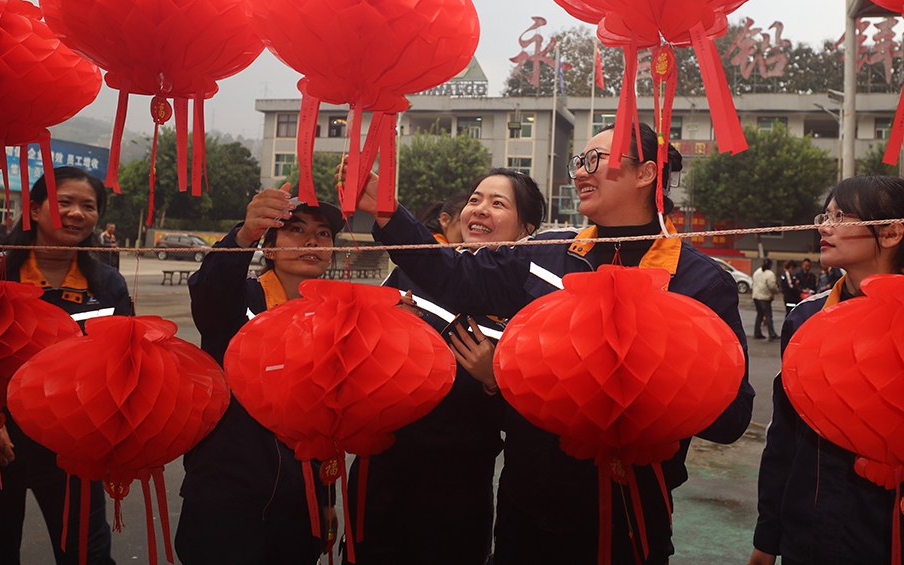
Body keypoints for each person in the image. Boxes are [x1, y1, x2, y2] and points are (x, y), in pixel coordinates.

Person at [344, 122, 753, 565]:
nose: (580, 172)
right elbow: (453, 274)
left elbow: (730, 416)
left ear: (646, 173)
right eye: (579, 161)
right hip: (527, 505)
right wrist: (386, 213)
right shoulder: (545, 255)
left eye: (595, 161)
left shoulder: (698, 282)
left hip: (630, 507)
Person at [750, 175, 904, 565]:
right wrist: (768, 536)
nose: (823, 226)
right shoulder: (806, 318)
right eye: (825, 214)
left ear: (893, 232)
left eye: (841, 216)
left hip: (901, 541)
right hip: (810, 537)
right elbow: (785, 435)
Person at [349, 171, 546, 565]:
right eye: (475, 199)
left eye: (497, 203)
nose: (480, 210)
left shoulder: (534, 301)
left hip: (459, 482)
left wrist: (495, 378)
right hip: (385, 466)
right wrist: (386, 327)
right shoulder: (417, 273)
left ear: (527, 230)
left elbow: (538, 419)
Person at [175, 182, 344, 565]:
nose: (311, 241)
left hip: (299, 505)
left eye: (323, 234)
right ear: (268, 248)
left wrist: (325, 498)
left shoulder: (335, 321)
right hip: (226, 498)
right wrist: (243, 234)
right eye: (295, 229)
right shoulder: (241, 302)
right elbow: (210, 291)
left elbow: (328, 420)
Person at [0, 167, 133, 565]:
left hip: (74, 445)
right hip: (0, 444)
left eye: (88, 206)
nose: (76, 213)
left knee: (86, 552)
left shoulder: (107, 286)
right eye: (63, 202)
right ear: (33, 211)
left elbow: (123, 365)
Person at [751, 259, 779, 340]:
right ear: (770, 265)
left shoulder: (757, 271)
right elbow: (772, 286)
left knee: (759, 315)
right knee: (768, 316)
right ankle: (772, 334)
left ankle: (757, 332)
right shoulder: (770, 274)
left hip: (756, 296)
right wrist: (776, 291)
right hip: (765, 297)